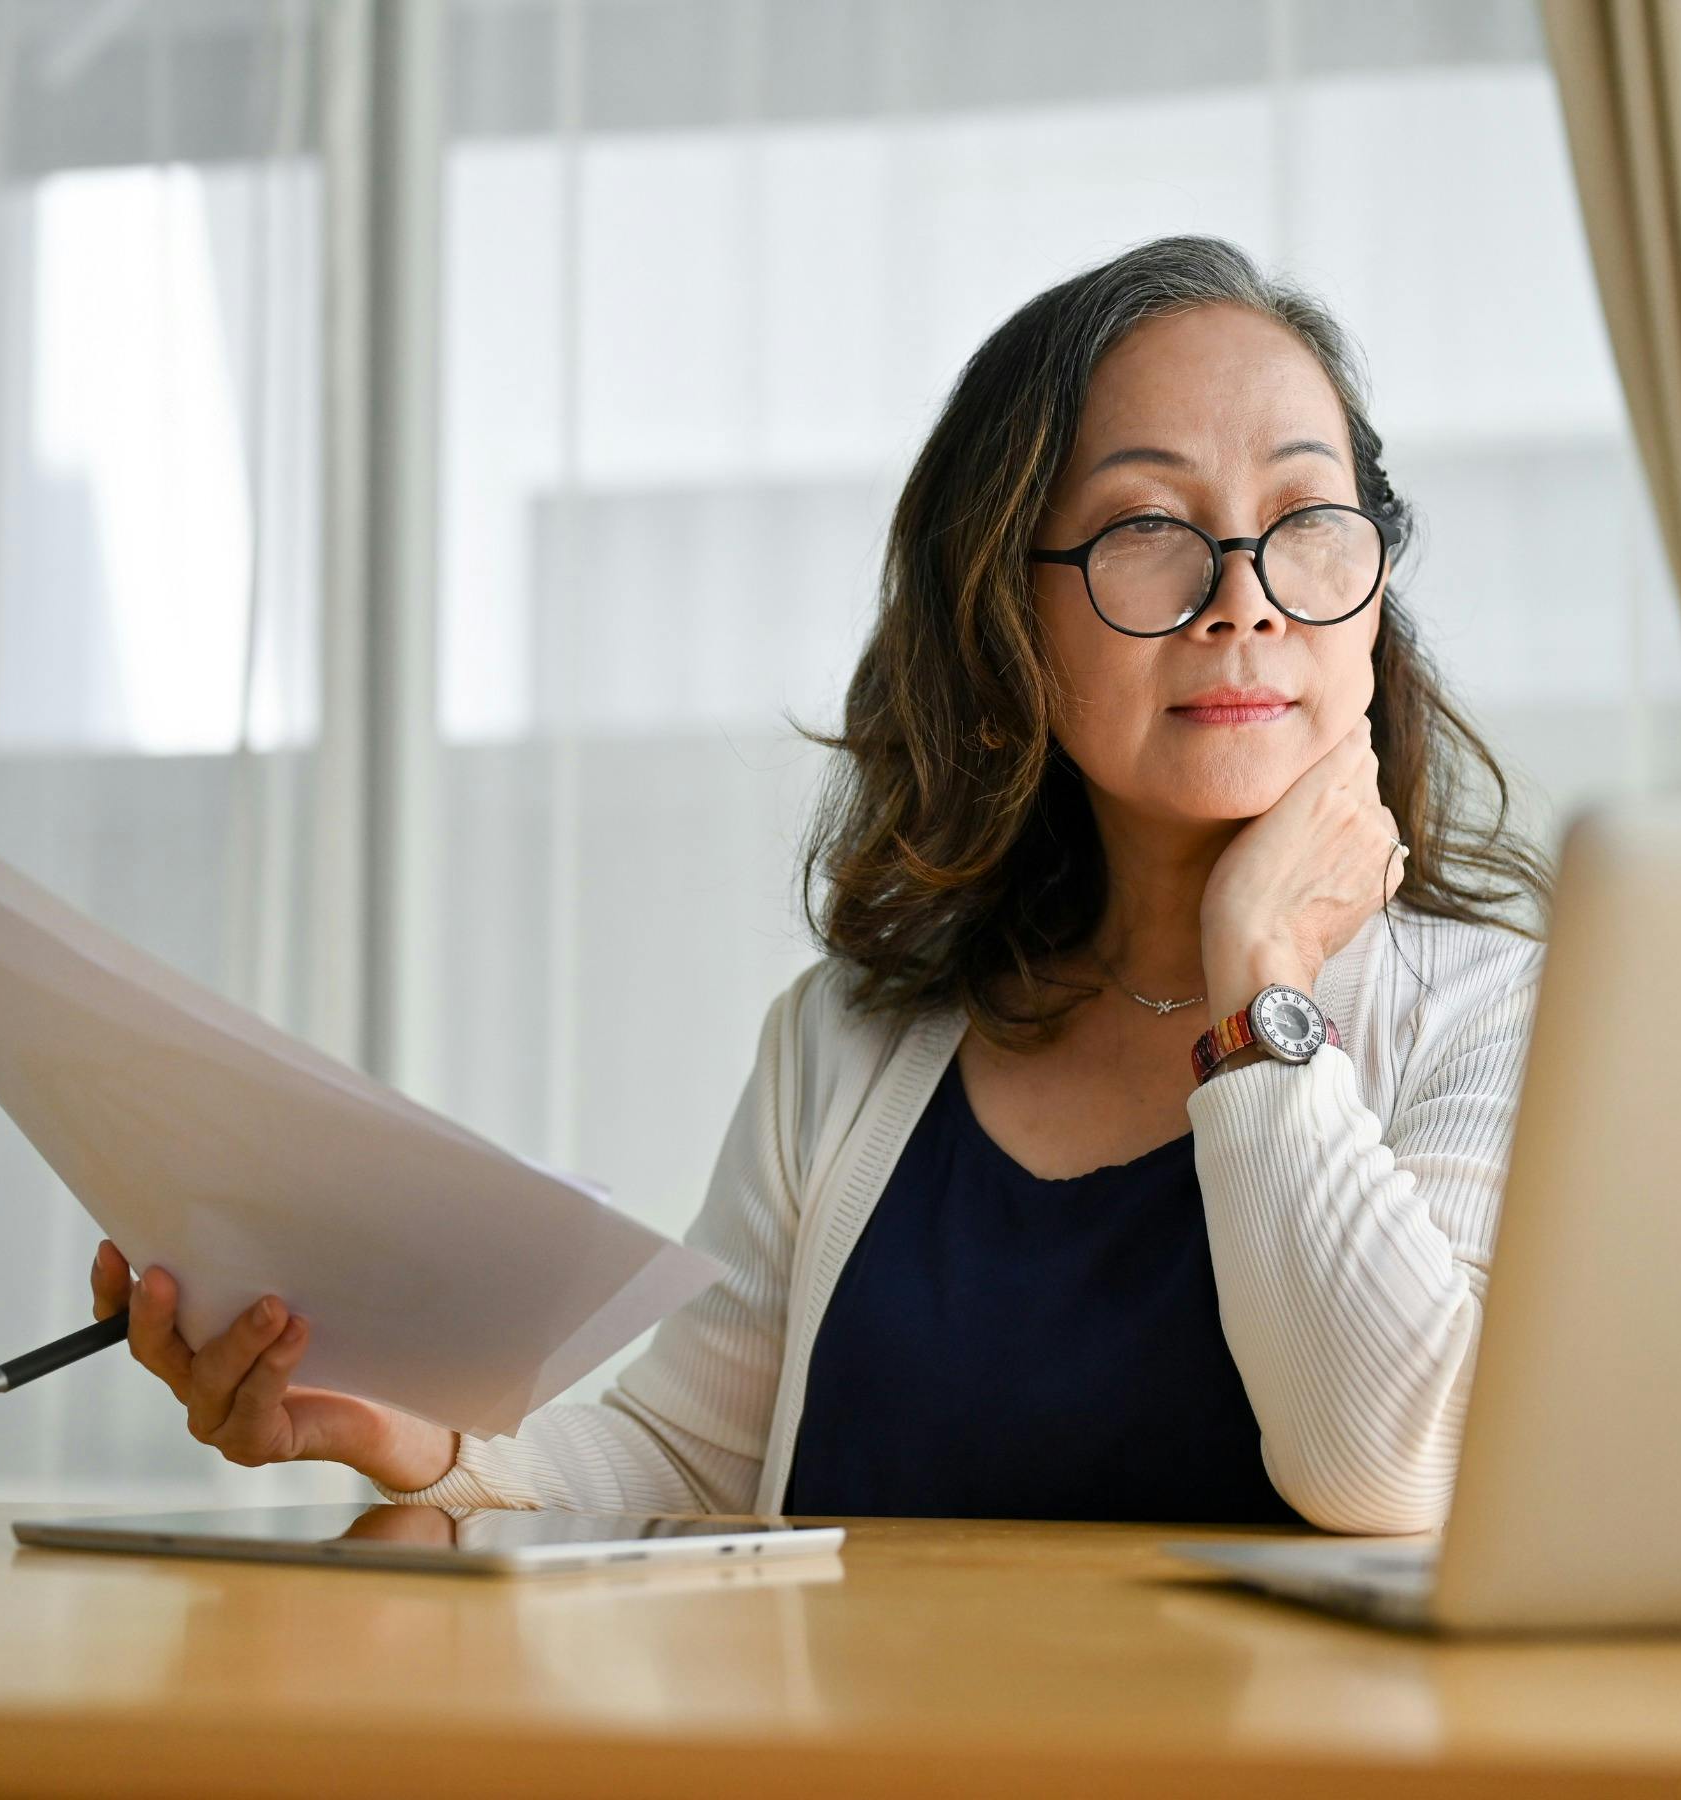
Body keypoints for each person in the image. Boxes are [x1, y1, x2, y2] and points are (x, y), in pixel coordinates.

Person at [86, 234, 1554, 1535]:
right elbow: (685, 1457)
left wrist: (1261, 985)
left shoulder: (1495, 1015)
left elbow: (1389, 1469)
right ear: (1008, 623)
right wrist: (425, 1444)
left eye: (1306, 520)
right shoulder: (845, 1042)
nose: (1243, 593)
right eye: (1148, 531)